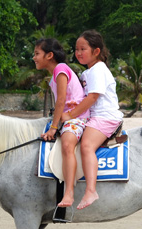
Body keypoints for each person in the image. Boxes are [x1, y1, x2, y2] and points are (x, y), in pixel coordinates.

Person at [62, 30, 124, 210]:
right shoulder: (86, 73)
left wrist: (70, 115)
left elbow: (92, 98)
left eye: (83, 49)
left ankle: (90, 190)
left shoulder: (98, 69)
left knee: (87, 145)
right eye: (76, 49)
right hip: (94, 117)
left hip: (105, 116)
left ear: (96, 51)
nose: (78, 53)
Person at [33, 38, 90, 207]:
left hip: (77, 117)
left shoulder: (60, 69)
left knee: (67, 144)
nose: (34, 58)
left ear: (49, 55)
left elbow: (62, 100)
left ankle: (69, 193)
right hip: (68, 116)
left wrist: (53, 128)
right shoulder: (55, 74)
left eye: (37, 54)